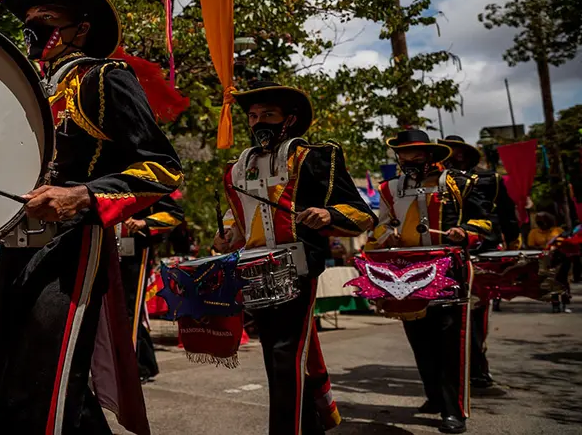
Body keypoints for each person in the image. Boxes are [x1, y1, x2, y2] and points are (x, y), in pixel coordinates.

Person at [0, 0, 182, 435]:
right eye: (29, 23)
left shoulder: (104, 78)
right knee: (20, 375)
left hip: (71, 246)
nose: (33, 30)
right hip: (14, 244)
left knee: (44, 382)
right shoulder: (23, 90)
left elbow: (163, 168)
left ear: (80, 29)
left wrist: (80, 196)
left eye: (46, 21)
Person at [212, 80, 376, 435]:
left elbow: (362, 213)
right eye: (253, 116)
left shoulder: (315, 157)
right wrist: (226, 238)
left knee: (286, 353)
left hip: (298, 268)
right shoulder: (236, 169)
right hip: (253, 272)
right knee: (277, 357)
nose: (258, 123)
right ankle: (311, 423)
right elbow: (238, 221)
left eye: (268, 114)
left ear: (289, 120)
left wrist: (328, 215)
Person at [369, 129, 493, 434]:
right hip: (406, 271)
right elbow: (380, 227)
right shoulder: (388, 189)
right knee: (419, 338)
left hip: (448, 266)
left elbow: (483, 221)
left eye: (415, 154)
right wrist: (387, 236)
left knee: (451, 340)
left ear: (430, 155)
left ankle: (455, 411)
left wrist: (465, 232)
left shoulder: (459, 183)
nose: (408, 160)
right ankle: (435, 397)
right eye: (404, 154)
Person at [439, 135, 509, 388]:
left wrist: (511, 245)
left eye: (452, 151)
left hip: (480, 250)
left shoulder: (489, 179)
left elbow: (502, 214)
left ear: (462, 154)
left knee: (475, 312)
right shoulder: (435, 181)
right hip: (444, 253)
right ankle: (449, 374)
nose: (448, 156)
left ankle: (478, 367)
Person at [117, 190, 185, 383]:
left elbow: (175, 215)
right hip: (108, 250)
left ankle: (131, 367)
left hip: (134, 252)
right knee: (119, 310)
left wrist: (144, 222)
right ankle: (144, 363)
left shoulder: (144, 183)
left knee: (130, 309)